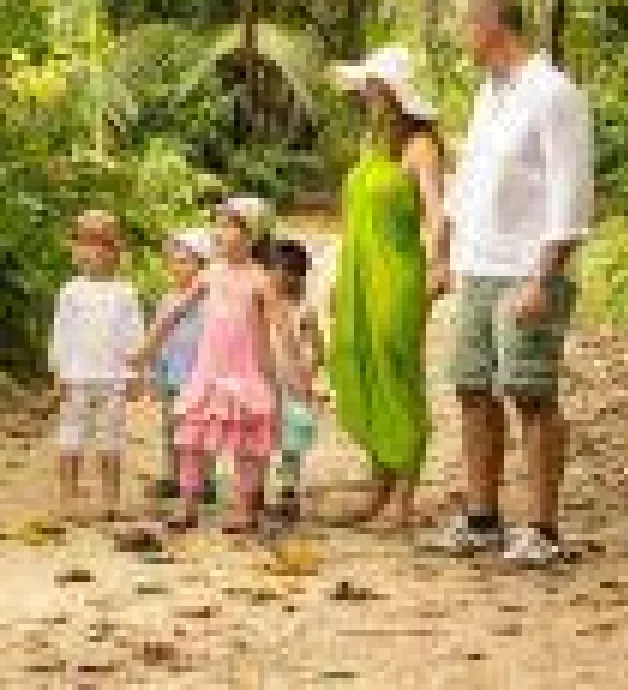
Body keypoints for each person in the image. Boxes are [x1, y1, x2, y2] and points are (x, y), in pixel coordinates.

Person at [428, 0, 592, 567]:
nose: (461, 37)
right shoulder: (487, 93)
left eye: (466, 27)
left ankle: (543, 529)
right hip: (479, 265)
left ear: (492, 29)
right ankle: (482, 518)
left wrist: (543, 278)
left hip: (527, 268)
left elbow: (571, 192)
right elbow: (469, 177)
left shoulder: (553, 93)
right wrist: (444, 252)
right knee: (473, 388)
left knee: (531, 393)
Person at [132, 197, 305, 534]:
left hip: (246, 372)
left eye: (229, 226)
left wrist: (294, 373)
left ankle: (244, 506)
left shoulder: (260, 280)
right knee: (191, 439)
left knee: (247, 444)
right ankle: (187, 503)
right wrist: (147, 348)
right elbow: (175, 311)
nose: (220, 232)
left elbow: (282, 328)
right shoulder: (210, 274)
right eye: (218, 225)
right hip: (209, 371)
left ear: (251, 235)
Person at [328, 46, 448, 529]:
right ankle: (378, 486)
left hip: (398, 274)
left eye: (376, 87)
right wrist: (337, 278)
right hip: (359, 271)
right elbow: (352, 220)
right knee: (363, 366)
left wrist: (439, 265)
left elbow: (438, 215)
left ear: (397, 94)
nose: (368, 95)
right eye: (367, 88)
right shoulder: (370, 143)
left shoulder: (420, 146)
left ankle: (403, 497)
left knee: (398, 375)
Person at [50, 209, 144, 524]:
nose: (94, 252)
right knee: (70, 437)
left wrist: (135, 375)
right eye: (85, 243)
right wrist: (58, 372)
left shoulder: (126, 292)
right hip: (76, 377)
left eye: (103, 244)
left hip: (113, 378)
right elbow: (60, 333)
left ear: (116, 250)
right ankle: (67, 497)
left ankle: (110, 498)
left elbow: (135, 336)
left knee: (111, 438)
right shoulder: (70, 290)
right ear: (75, 250)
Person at [257, 238, 322, 525]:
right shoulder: (260, 307)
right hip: (262, 382)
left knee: (291, 441)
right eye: (273, 270)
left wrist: (308, 372)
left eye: (286, 271)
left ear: (298, 275)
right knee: (259, 436)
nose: (279, 277)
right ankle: (255, 490)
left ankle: (288, 492)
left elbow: (318, 349)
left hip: (293, 385)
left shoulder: (303, 309)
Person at [151, 228, 216, 504]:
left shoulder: (211, 302)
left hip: (200, 376)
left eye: (184, 261)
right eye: (174, 261)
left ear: (202, 265)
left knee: (202, 427)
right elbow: (159, 339)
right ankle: (174, 475)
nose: (177, 267)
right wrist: (155, 374)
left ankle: (206, 479)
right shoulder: (166, 300)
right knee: (171, 427)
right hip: (171, 374)